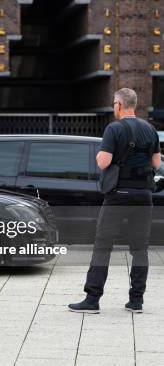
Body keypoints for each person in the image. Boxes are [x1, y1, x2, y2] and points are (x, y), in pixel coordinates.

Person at [69, 88, 161, 314]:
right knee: (140, 248)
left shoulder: (114, 128)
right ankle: (136, 300)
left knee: (103, 246)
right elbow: (156, 164)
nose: (113, 107)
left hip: (118, 195)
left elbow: (103, 162)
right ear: (135, 105)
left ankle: (92, 299)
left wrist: (102, 155)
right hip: (143, 195)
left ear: (119, 104)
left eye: (114, 104)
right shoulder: (150, 129)